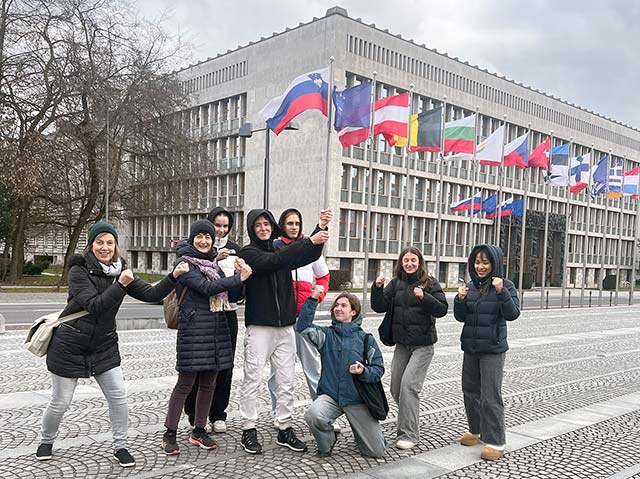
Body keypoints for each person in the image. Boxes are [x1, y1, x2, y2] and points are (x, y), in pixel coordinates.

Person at [36, 221, 189, 468]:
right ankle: (46, 440)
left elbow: (151, 294)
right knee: (61, 401)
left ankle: (121, 446)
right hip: (69, 345)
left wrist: (173, 276)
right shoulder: (78, 270)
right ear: (91, 245)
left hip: (103, 346)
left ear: (116, 246)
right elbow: (95, 305)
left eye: (110, 242)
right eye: (100, 242)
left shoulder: (121, 270)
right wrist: (120, 285)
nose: (105, 247)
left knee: (118, 396)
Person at [237, 208, 330, 455]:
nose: (264, 228)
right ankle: (248, 428)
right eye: (258, 225)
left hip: (286, 327)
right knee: (253, 379)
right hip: (260, 327)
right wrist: (308, 240)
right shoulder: (248, 253)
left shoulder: (281, 250)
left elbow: (308, 254)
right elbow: (272, 263)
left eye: (267, 224)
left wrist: (319, 228)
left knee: (286, 380)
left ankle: (284, 427)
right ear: (252, 230)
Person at [162, 219, 252, 455]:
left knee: (209, 384)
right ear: (192, 239)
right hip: (193, 331)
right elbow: (205, 288)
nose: (204, 241)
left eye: (208, 237)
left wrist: (241, 280)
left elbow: (229, 294)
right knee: (185, 383)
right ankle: (169, 433)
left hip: (216, 330)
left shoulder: (214, 264)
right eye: (199, 236)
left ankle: (199, 430)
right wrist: (236, 279)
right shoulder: (185, 263)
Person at [371, 246, 448, 450]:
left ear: (420, 262)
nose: (410, 264)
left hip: (423, 345)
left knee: (408, 387)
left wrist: (425, 297)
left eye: (413, 260)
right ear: (401, 263)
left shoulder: (429, 283)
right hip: (402, 345)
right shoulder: (396, 283)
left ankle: (409, 434)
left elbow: (442, 309)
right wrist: (377, 288)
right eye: (406, 260)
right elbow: (379, 307)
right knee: (396, 388)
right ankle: (410, 418)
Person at [299, 290, 386, 458]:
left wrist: (363, 371)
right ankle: (328, 441)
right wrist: (313, 299)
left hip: (357, 399)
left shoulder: (365, 338)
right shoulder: (325, 335)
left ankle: (362, 435)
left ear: (353, 312)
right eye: (336, 305)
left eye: (344, 305)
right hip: (331, 396)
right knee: (313, 415)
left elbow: (378, 369)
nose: (338, 308)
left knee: (376, 452)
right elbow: (302, 327)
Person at [454, 244, 520, 461]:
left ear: (495, 264)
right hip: (471, 347)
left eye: (485, 262)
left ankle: (496, 440)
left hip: (492, 348)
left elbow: (512, 314)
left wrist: (501, 292)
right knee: (470, 391)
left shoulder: (506, 285)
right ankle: (477, 430)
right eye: (477, 262)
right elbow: (461, 317)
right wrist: (460, 300)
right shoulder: (471, 286)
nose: (481, 266)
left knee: (490, 395)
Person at [267, 208, 330, 423]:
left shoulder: (310, 248)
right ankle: (279, 415)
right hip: (281, 320)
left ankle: (324, 413)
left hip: (304, 320)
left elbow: (323, 276)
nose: (293, 227)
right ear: (283, 225)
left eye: (296, 223)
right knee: (278, 374)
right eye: (289, 223)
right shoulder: (275, 247)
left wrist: (316, 298)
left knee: (314, 369)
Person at [183, 207, 241, 434]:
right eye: (217, 225)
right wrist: (215, 258)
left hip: (228, 312)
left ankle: (218, 413)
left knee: (225, 366)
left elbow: (238, 286)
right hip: (203, 312)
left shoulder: (235, 249)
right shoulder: (199, 247)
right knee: (199, 365)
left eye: (225, 226)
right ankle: (194, 413)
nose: (221, 230)